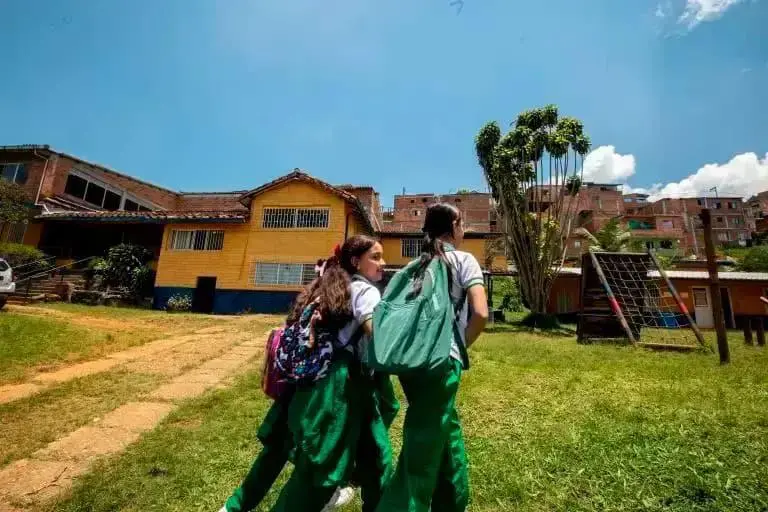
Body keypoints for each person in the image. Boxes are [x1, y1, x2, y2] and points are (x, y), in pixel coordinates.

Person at [220, 235, 395, 512]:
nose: (382, 263)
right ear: (355, 261)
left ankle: (234, 507)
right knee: (321, 468)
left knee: (373, 458)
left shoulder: (328, 287)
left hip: (307, 378)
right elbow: (380, 338)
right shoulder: (366, 291)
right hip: (342, 387)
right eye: (375, 257)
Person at [376, 203, 488, 512]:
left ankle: (452, 502)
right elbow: (480, 313)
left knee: (445, 430)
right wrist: (459, 345)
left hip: (411, 363)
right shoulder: (463, 259)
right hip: (441, 361)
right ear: (453, 225)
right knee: (422, 447)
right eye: (462, 224)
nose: (463, 230)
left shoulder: (417, 265)